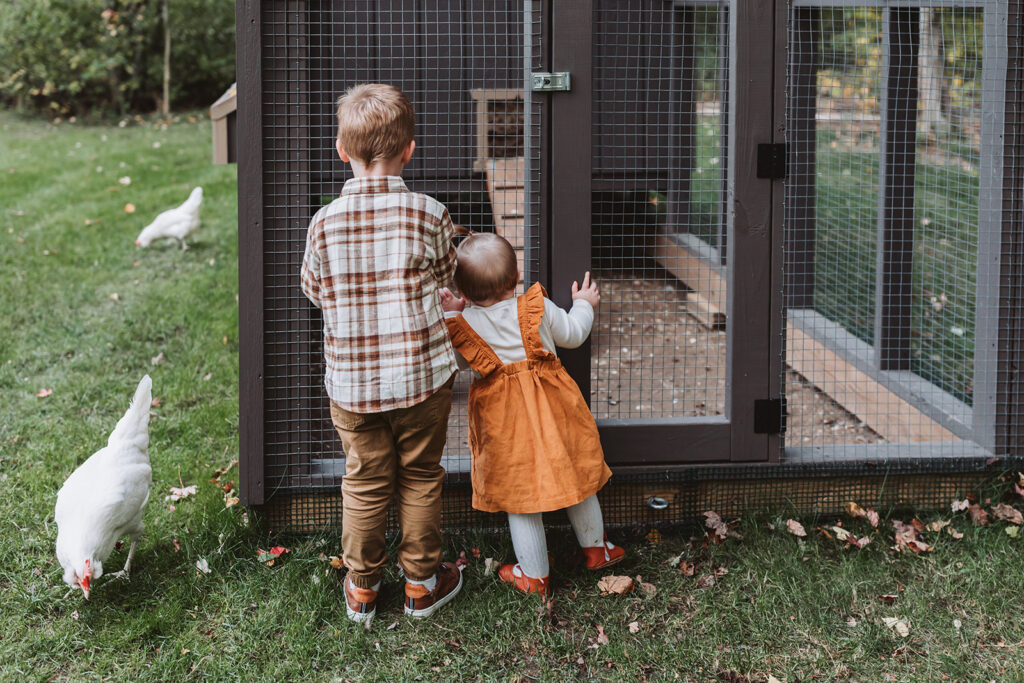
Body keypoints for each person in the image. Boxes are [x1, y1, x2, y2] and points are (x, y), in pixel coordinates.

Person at [301, 83, 462, 625]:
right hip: (421, 378)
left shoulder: (323, 223)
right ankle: (421, 584)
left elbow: (313, 290)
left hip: (353, 385)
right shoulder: (431, 213)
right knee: (420, 475)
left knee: (365, 480)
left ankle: (363, 588)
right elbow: (446, 280)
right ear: (409, 150)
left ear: (341, 151)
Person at [440, 233, 625, 595]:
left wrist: (455, 316)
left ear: (462, 290)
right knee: (577, 478)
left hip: (504, 423)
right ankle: (597, 550)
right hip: (556, 411)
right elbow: (573, 334)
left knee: (520, 498)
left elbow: (460, 362)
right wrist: (584, 304)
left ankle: (535, 575)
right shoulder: (535, 306)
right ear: (517, 274)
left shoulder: (467, 326)